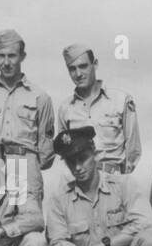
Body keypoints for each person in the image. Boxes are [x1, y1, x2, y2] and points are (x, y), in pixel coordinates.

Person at [0, 28, 55, 206]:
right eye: (1, 56)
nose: (6, 62)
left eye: (12, 56)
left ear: (23, 56)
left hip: (26, 170)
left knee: (28, 226)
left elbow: (46, 153)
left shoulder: (40, 97)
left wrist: (26, 164)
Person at [56, 44, 141, 175]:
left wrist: (122, 183)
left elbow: (133, 150)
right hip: (81, 184)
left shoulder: (120, 100)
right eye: (72, 69)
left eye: (83, 66)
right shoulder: (65, 108)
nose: (78, 74)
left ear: (95, 64)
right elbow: (65, 152)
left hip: (114, 180)